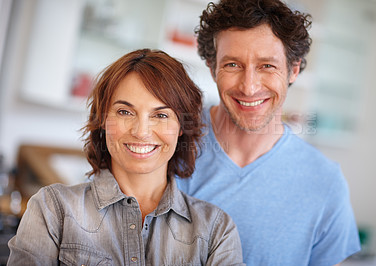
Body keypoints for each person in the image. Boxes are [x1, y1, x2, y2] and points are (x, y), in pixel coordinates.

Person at [7, 49, 244, 265]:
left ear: (181, 126)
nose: (141, 132)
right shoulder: (53, 209)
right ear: (103, 120)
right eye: (124, 112)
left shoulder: (216, 230)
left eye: (160, 115)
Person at [176, 0, 361, 265]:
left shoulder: (324, 182)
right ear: (212, 68)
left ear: (293, 70)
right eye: (232, 65)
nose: (249, 87)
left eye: (267, 66)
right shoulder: (167, 140)